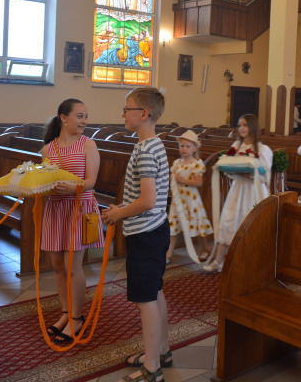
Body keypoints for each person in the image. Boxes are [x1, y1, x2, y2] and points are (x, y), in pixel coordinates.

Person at [101, 88, 171, 382]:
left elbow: (148, 200)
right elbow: (145, 199)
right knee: (155, 292)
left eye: (126, 109)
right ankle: (162, 352)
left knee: (145, 300)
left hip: (145, 233)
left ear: (143, 114)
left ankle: (152, 369)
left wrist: (119, 214)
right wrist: (123, 207)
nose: (122, 114)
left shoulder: (145, 150)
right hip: (155, 228)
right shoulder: (154, 144)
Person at [41, 98, 104, 343]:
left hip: (79, 208)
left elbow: (91, 182)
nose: (84, 121)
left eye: (86, 116)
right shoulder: (48, 149)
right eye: (79, 116)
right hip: (56, 209)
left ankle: (77, 318)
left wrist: (72, 188)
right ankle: (66, 314)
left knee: (72, 268)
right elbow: (45, 181)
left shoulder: (88, 144)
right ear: (63, 118)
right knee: (58, 267)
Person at [203, 114, 272, 273]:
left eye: (245, 125)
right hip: (237, 189)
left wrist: (250, 174)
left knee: (249, 226)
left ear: (252, 127)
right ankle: (218, 261)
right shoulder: (236, 146)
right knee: (228, 221)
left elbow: (265, 176)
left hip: (254, 191)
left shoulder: (263, 149)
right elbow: (230, 170)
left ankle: (247, 264)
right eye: (239, 125)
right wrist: (231, 171)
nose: (241, 128)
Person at [166, 130, 213, 264]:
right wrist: (171, 178)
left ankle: (205, 248)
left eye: (187, 146)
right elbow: (173, 178)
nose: (184, 149)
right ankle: (168, 253)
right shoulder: (177, 163)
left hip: (191, 201)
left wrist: (182, 180)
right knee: (173, 227)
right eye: (182, 146)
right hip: (177, 201)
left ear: (194, 148)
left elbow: (198, 183)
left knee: (196, 227)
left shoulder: (196, 163)